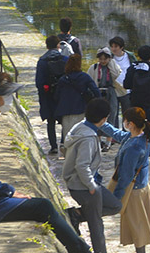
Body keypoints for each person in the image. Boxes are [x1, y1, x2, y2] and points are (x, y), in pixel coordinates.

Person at [0, 69, 91, 253]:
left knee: (41, 205)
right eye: (4, 95)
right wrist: (8, 191)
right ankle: (80, 249)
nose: (8, 99)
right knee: (42, 206)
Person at [63, 98, 125, 253]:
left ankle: (76, 214)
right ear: (104, 119)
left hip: (84, 182)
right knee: (96, 224)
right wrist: (91, 186)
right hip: (84, 186)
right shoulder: (89, 138)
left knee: (115, 205)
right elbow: (82, 166)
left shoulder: (80, 126)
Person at [110, 108, 150, 253]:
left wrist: (117, 196)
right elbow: (117, 134)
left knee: (138, 231)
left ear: (129, 124)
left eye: (124, 121)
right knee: (139, 228)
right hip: (141, 187)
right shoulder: (140, 137)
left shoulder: (134, 147)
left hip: (134, 192)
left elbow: (126, 175)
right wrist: (101, 123)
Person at [55, 55, 99, 149]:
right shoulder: (84, 77)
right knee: (80, 136)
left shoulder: (63, 79)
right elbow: (96, 91)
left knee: (68, 137)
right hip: (80, 109)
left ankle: (69, 156)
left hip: (65, 111)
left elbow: (56, 96)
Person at [35, 35, 67, 154]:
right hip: (62, 94)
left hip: (48, 95)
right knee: (65, 119)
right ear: (58, 45)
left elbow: (38, 82)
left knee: (51, 121)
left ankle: (53, 146)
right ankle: (63, 143)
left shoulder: (42, 61)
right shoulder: (64, 59)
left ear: (47, 46)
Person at [123, 46, 150, 129]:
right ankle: (148, 142)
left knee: (135, 128)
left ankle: (136, 142)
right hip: (149, 102)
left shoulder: (132, 68)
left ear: (139, 56)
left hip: (135, 102)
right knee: (149, 128)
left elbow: (126, 85)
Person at [91, 48, 123, 129]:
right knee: (98, 114)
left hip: (111, 92)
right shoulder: (94, 67)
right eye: (101, 59)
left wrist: (111, 63)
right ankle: (99, 134)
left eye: (105, 59)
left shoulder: (113, 66)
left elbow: (117, 75)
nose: (103, 61)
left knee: (112, 112)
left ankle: (111, 136)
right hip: (99, 92)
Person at [108, 37, 136, 114]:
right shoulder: (109, 58)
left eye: (116, 46)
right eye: (112, 46)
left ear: (121, 47)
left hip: (127, 90)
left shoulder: (130, 56)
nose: (113, 49)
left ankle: (126, 126)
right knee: (113, 113)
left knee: (127, 113)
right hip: (114, 90)